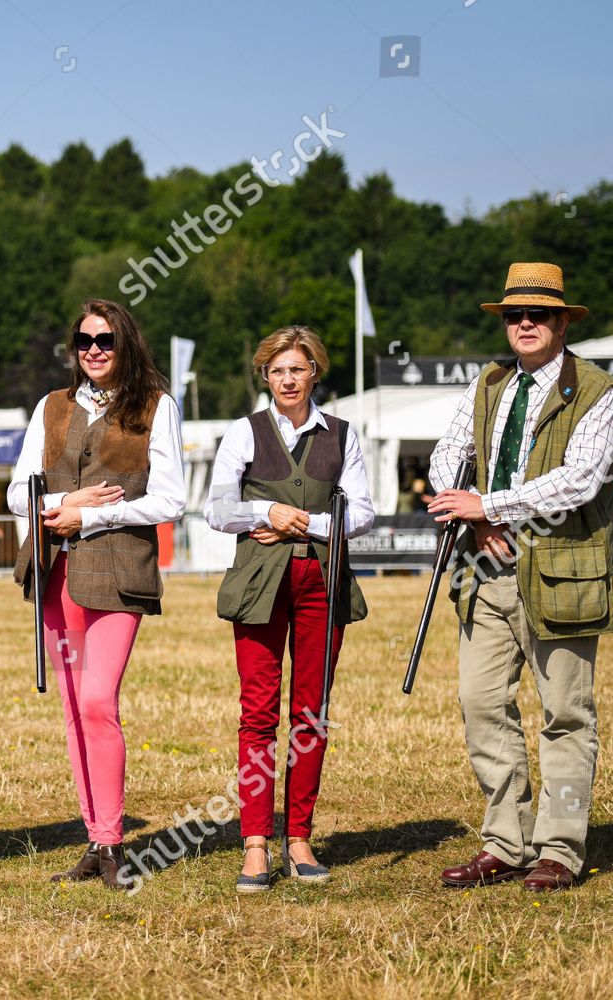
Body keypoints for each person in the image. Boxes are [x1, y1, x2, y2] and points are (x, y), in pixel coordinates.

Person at [428, 262, 613, 892]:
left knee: (566, 712)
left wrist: (491, 507)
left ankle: (560, 847)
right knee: (480, 703)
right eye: (515, 314)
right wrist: (471, 511)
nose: (525, 324)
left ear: (564, 320)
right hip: (485, 569)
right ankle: (505, 841)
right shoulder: (486, 384)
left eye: (539, 313)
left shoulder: (598, 391)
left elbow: (580, 479)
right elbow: (444, 456)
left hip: (562, 574)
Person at [7, 298, 186, 890]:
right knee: (72, 709)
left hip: (118, 574)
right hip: (55, 574)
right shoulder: (50, 407)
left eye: (105, 340)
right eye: (84, 341)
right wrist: (68, 504)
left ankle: (111, 842)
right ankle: (94, 837)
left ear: (125, 342)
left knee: (97, 702)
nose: (94, 350)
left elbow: (170, 499)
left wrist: (95, 520)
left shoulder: (157, 407)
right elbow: (15, 495)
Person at [206, 326, 374, 892]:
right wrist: (265, 513)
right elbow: (216, 509)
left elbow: (363, 512)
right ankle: (255, 842)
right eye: (278, 370)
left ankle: (299, 837)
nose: (287, 379)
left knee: (311, 713)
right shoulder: (243, 433)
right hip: (260, 580)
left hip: (322, 580)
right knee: (258, 713)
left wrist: (308, 522)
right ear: (265, 376)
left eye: (297, 369)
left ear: (315, 373)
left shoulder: (343, 434)